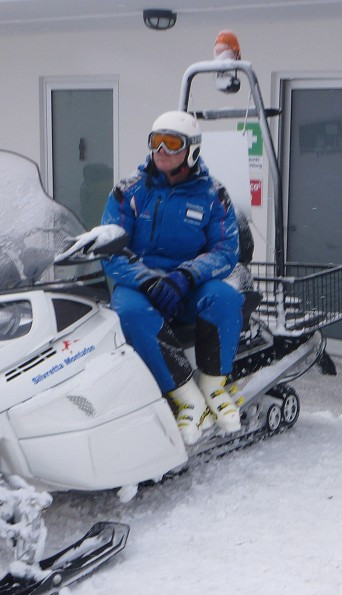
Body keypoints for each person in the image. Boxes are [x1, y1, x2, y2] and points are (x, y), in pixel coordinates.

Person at [99, 110, 243, 446]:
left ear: (191, 150)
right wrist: (148, 281)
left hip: (188, 284)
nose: (161, 150)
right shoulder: (128, 191)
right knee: (128, 310)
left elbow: (225, 250)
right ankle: (186, 397)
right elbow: (110, 249)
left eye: (172, 143)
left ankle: (213, 387)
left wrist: (186, 275)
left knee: (225, 297)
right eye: (156, 142)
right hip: (143, 285)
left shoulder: (213, 194)